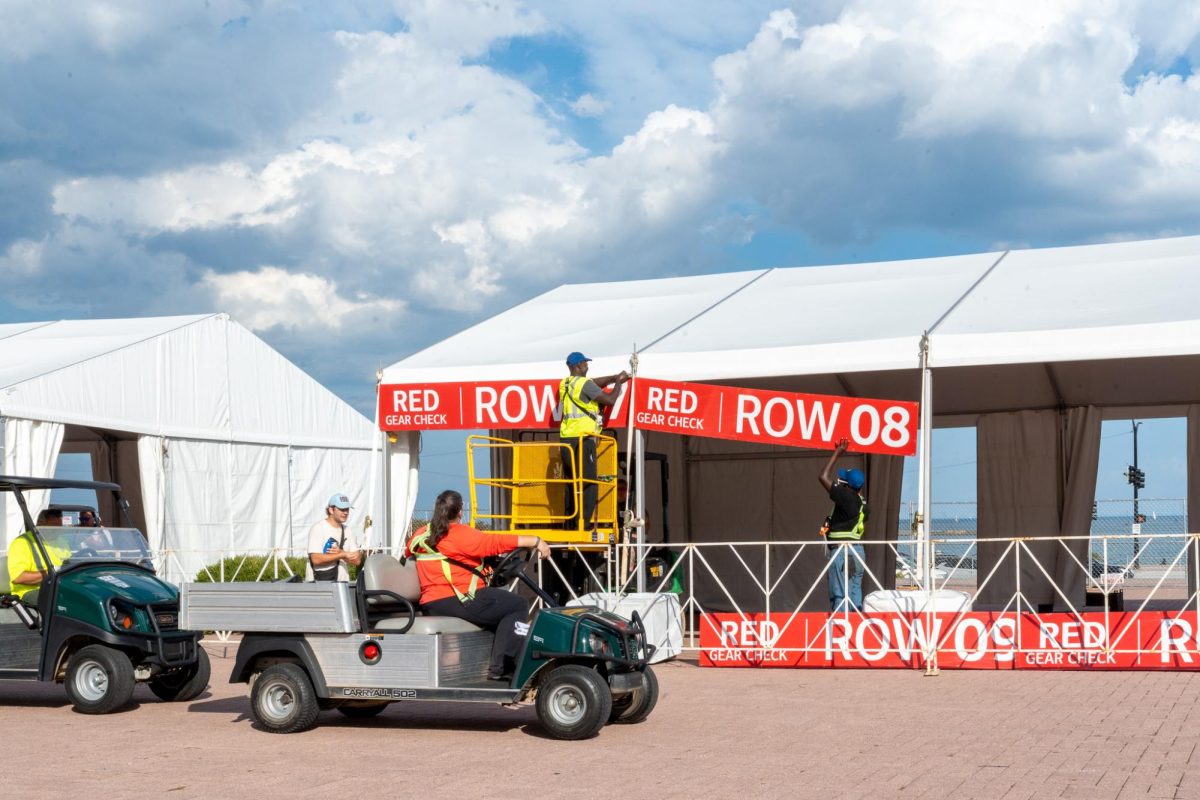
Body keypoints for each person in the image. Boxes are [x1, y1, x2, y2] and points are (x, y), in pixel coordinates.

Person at [406, 489, 551, 681]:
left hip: (432, 602)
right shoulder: (460, 534)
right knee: (517, 605)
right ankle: (503, 668)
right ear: (460, 511)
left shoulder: (422, 533)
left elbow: (409, 554)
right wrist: (536, 541)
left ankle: (484, 665)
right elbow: (495, 542)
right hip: (458, 598)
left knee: (498, 606)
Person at [558, 351, 629, 531]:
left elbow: (593, 383)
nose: (587, 366)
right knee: (589, 482)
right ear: (578, 365)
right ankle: (585, 523)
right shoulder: (583, 384)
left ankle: (571, 522)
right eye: (585, 363)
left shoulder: (565, 383)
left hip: (566, 439)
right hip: (584, 439)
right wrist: (619, 382)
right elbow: (610, 400)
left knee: (571, 482)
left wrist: (613, 377)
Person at [818, 438, 867, 613]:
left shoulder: (846, 498)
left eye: (843, 481)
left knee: (838, 594)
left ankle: (840, 632)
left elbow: (823, 476)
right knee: (855, 595)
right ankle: (855, 630)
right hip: (858, 551)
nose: (839, 482)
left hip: (842, 551)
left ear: (848, 486)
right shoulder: (862, 502)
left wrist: (838, 452)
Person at [7, 508, 71, 601]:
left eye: (59, 528)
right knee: (62, 599)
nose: (57, 532)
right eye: (53, 528)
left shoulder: (62, 542)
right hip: (29, 592)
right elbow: (18, 577)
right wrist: (53, 573)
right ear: (41, 524)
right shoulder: (22, 543)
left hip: (57, 587)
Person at [306, 492, 363, 581]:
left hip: (342, 586)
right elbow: (316, 559)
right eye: (342, 509)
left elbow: (357, 561)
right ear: (331, 510)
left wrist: (341, 552)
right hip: (319, 586)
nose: (346, 512)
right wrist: (343, 554)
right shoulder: (318, 528)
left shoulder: (348, 530)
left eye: (347, 509)